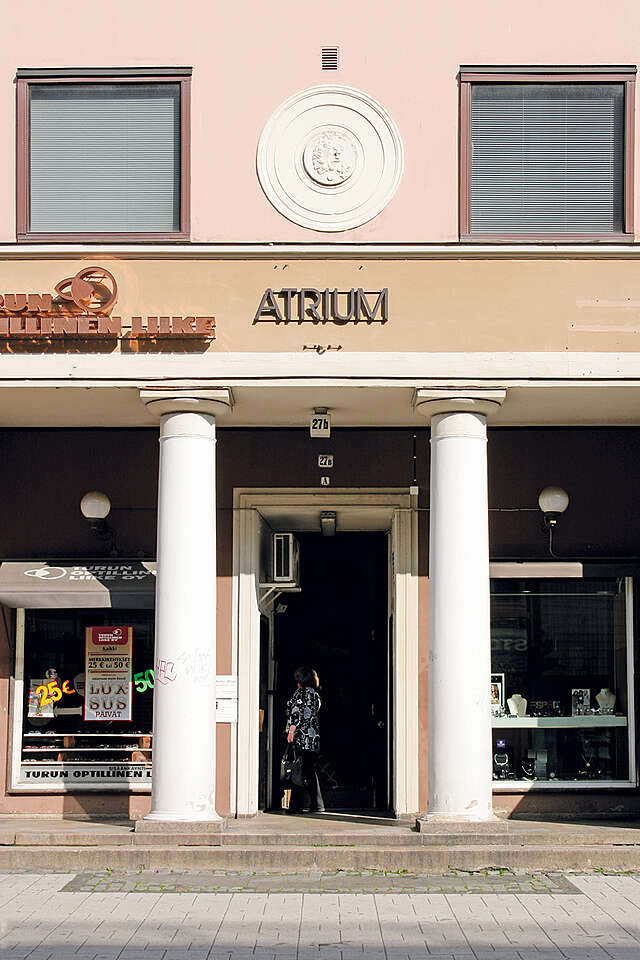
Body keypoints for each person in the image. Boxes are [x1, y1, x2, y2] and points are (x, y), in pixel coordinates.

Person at [285, 666, 325, 814]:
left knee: (298, 771)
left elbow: (296, 714)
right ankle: (317, 804)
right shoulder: (315, 695)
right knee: (309, 771)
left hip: (301, 738)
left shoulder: (299, 693)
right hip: (313, 739)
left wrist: (291, 732)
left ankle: (296, 806)